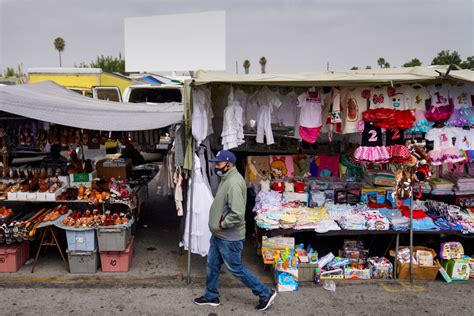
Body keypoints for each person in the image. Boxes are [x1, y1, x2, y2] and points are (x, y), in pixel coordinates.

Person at [194, 150, 277, 312]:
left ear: (229, 164)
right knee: (212, 265)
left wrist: (222, 224)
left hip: (228, 236)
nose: (216, 166)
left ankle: (265, 292)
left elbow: (237, 214)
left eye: (218, 163)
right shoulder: (227, 178)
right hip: (219, 235)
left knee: (236, 268)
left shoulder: (233, 182)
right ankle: (211, 296)